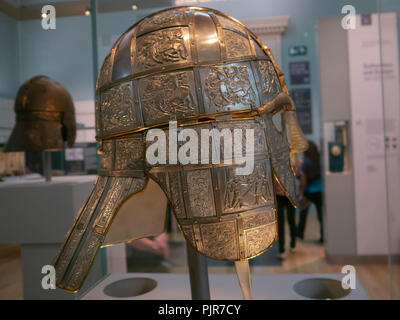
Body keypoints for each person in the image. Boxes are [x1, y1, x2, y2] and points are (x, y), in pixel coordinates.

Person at [297, 140, 324, 243]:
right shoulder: (319, 160)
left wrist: (301, 193)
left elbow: (303, 179)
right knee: (321, 216)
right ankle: (323, 237)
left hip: (309, 190)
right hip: (320, 190)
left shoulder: (305, 162)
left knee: (303, 214)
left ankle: (299, 235)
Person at [275, 180, 297, 259]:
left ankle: (292, 244)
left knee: (291, 220)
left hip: (289, 195)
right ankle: (282, 249)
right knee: (282, 223)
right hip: (280, 196)